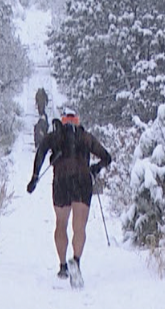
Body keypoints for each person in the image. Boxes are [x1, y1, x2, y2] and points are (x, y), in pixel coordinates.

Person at [27, 107, 111, 283]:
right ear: (77, 121)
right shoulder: (85, 137)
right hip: (82, 181)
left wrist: (35, 177)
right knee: (79, 226)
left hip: (61, 182)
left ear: (62, 121)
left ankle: (63, 266)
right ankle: (77, 261)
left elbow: (41, 152)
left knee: (60, 224)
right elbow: (106, 157)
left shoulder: (54, 137)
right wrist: (95, 168)